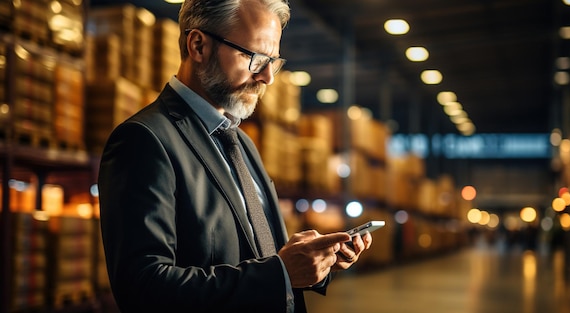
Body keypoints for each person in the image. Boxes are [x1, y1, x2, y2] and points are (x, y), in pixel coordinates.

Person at [97, 0, 373, 312]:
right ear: (198, 46)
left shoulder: (241, 142)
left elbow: (257, 257)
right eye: (255, 58)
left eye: (273, 61)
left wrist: (312, 261)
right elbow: (144, 288)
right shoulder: (144, 140)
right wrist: (279, 273)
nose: (268, 77)